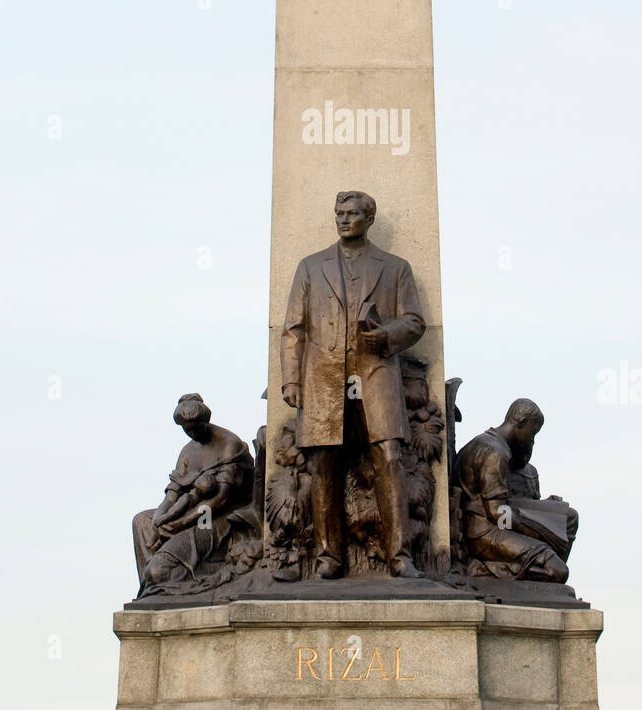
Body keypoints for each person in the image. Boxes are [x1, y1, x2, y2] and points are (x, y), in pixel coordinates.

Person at [279, 190, 425, 579]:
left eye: (352, 214)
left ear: (369, 219)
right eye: (339, 213)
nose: (344, 220)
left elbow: (414, 321)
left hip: (375, 375)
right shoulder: (310, 267)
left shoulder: (396, 268)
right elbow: (293, 329)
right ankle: (329, 556)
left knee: (390, 458)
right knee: (324, 463)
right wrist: (291, 380)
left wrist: (387, 335)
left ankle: (400, 555)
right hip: (324, 380)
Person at [132, 393, 253, 592]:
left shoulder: (229, 444)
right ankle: (152, 587)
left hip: (221, 516)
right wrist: (159, 519)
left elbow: (221, 499)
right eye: (187, 430)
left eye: (196, 427)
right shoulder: (188, 451)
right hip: (192, 510)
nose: (192, 433)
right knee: (142, 521)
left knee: (162, 562)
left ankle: (161, 578)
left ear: (206, 420)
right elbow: (172, 495)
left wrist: (180, 523)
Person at [454, 399, 578, 583]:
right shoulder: (495, 453)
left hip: (493, 526)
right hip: (483, 533)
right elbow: (498, 514)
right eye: (532, 433)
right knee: (557, 570)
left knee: (568, 517)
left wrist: (544, 509)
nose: (532, 440)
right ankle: (483, 570)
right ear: (521, 423)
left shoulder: (489, 443)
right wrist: (543, 531)